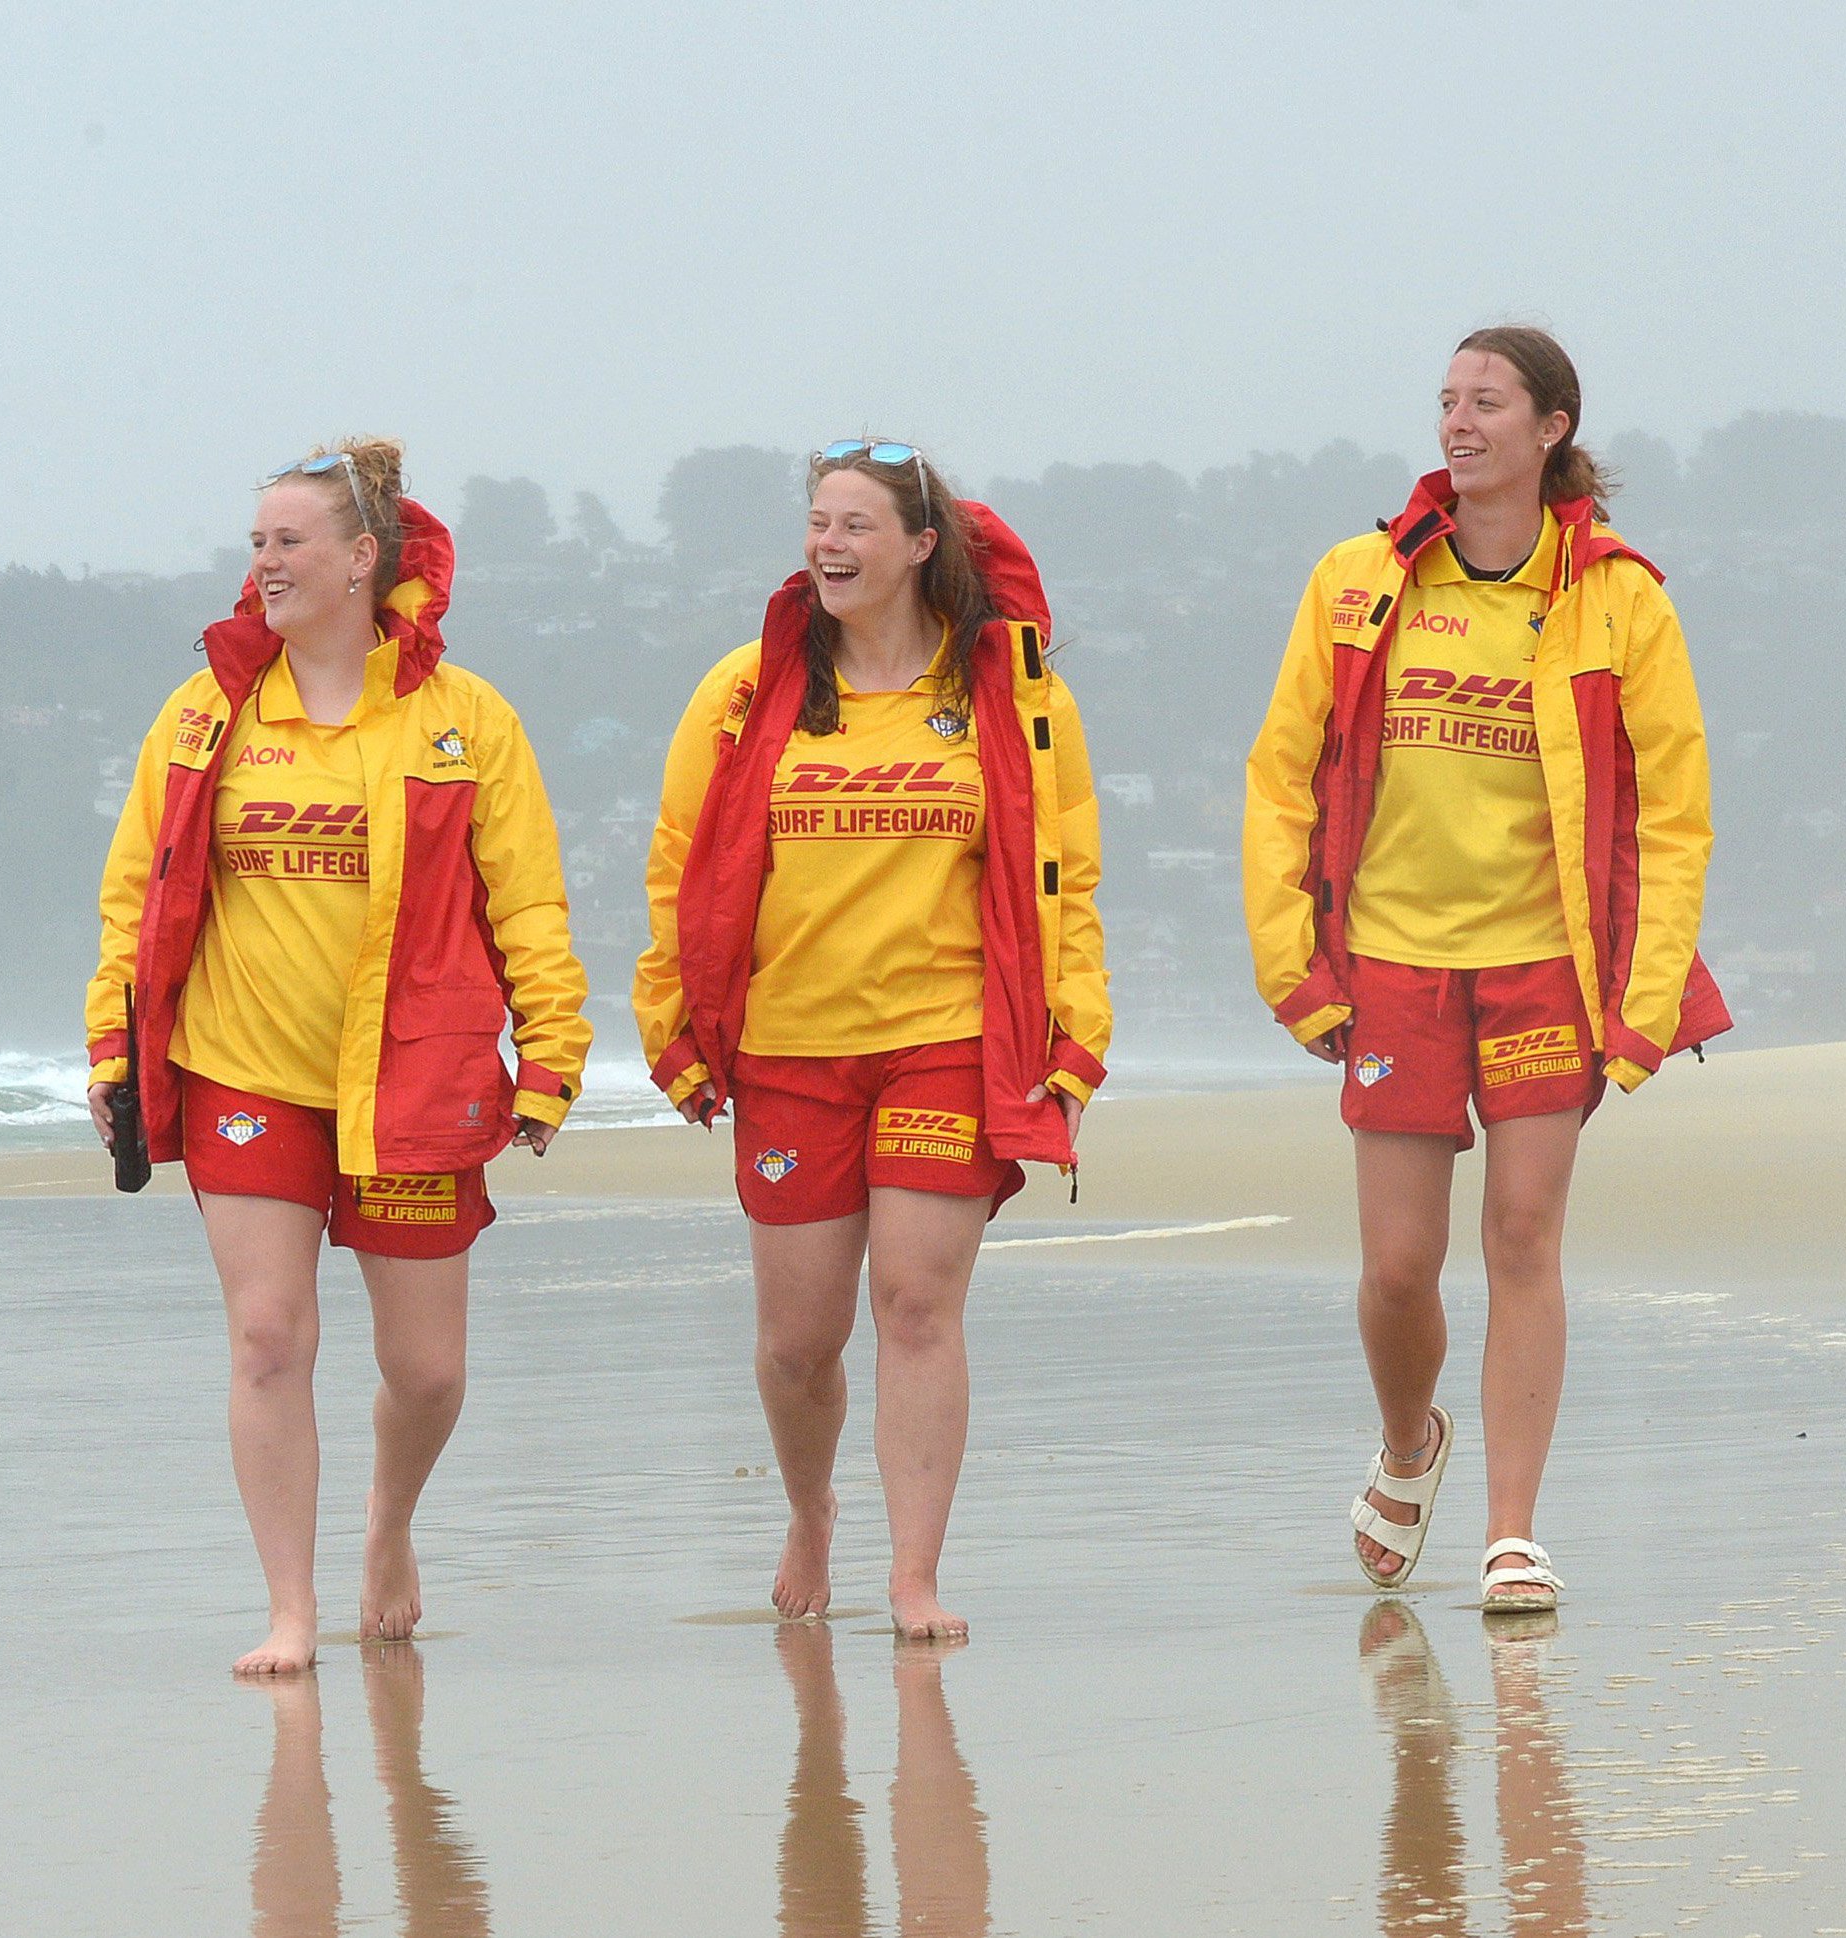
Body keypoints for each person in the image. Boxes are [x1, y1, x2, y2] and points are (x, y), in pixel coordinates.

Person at [87, 438, 591, 1678]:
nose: (262, 563)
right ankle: (289, 1612)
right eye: (254, 542)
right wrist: (116, 1047)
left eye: (287, 541)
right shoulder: (206, 712)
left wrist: (551, 1055)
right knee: (268, 1339)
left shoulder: (463, 720)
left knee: (425, 1374)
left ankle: (388, 1527)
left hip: (412, 1082)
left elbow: (527, 904)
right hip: (244, 1074)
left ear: (363, 559)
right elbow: (133, 898)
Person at [1243, 327, 1724, 1614]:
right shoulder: (1359, 579)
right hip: (1391, 961)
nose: (1456, 423)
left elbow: (1675, 815)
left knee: (1522, 1235)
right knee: (1398, 1269)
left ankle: (1512, 1531)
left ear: (1550, 427)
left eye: (1485, 402)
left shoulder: (1617, 598)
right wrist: (1288, 961)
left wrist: (1643, 1000)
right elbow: (1279, 774)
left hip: (1544, 967)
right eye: (1445, 402)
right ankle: (1410, 1444)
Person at [637, 440, 1108, 1644]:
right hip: (789, 1047)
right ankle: (809, 1510)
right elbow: (677, 867)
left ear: (918, 546)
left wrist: (1072, 1036)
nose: (827, 544)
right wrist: (671, 1025)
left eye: (854, 524)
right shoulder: (744, 691)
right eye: (816, 523)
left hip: (942, 1039)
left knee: (914, 1303)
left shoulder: (1009, 696)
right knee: (799, 1346)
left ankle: (913, 1576)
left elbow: (1067, 878)